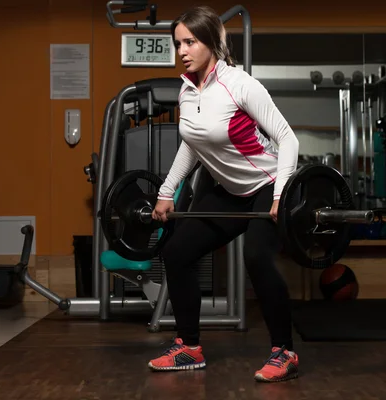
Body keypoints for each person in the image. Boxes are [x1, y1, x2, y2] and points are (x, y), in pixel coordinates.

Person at [147, 5, 300, 383]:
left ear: (212, 42)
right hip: (229, 193)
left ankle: (285, 352)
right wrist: (167, 192)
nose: (182, 50)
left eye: (191, 42)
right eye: (178, 43)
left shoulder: (241, 84)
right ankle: (189, 348)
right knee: (177, 251)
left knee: (256, 257)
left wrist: (281, 195)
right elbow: (193, 145)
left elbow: (287, 138)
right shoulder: (186, 90)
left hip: (265, 186)